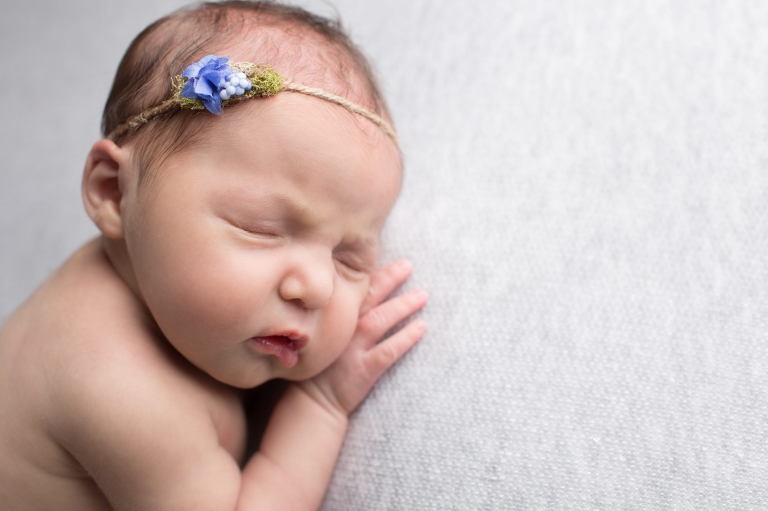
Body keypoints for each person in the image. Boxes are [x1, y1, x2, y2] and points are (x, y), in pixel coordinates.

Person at [0, 2, 427, 509]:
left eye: (348, 259)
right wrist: (320, 404)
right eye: (261, 228)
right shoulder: (116, 387)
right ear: (115, 192)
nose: (318, 286)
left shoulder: (160, 284)